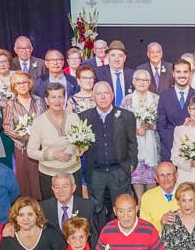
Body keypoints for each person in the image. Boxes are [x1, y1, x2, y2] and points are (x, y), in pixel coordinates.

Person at [81, 81, 138, 216]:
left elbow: (132, 143)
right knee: (95, 210)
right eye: (98, 94)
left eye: (106, 93)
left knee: (120, 208)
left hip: (119, 170)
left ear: (112, 96)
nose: (102, 97)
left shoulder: (126, 116)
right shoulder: (84, 117)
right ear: (93, 97)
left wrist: (131, 164)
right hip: (95, 172)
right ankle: (98, 236)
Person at [26, 83, 83, 200]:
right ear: (46, 100)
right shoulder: (39, 122)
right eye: (53, 97)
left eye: (60, 97)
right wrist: (52, 155)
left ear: (65, 98)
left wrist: (82, 148)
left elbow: (83, 142)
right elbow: (31, 151)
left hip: (73, 172)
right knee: (52, 211)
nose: (57, 101)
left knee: (76, 211)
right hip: (49, 176)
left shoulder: (74, 118)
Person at [2, 71, 46, 199]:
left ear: (30, 84)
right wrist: (24, 136)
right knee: (25, 182)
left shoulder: (39, 101)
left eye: (24, 82)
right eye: (18, 83)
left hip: (40, 148)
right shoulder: (11, 104)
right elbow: (7, 128)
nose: (22, 85)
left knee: (40, 180)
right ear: (13, 87)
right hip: (22, 149)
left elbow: (46, 121)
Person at [121, 68, 160, 199]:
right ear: (133, 81)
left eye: (145, 80)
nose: (142, 82)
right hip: (134, 147)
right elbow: (121, 125)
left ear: (150, 82)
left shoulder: (156, 99)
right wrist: (135, 131)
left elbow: (162, 124)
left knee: (151, 191)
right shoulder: (127, 100)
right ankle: (140, 206)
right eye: (139, 79)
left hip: (153, 147)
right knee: (138, 187)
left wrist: (150, 126)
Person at [40, 173, 103, 247]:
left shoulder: (87, 206)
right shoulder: (44, 207)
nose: (60, 191)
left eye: (65, 187)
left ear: (73, 188)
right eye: (57, 187)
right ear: (52, 189)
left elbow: (94, 235)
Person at [138, 162, 180, 231]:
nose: (166, 179)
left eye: (169, 174)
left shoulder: (186, 192)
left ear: (176, 175)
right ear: (156, 178)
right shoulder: (147, 197)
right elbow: (144, 228)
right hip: (158, 240)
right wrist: (160, 223)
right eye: (162, 175)